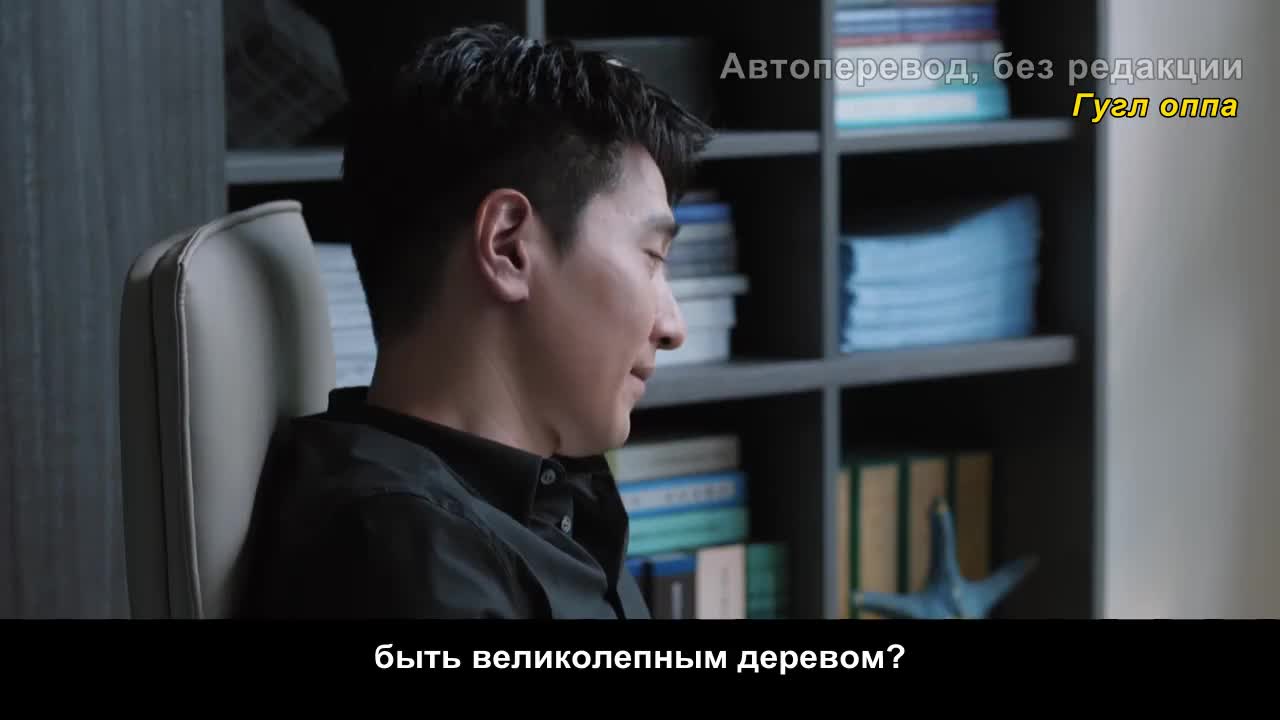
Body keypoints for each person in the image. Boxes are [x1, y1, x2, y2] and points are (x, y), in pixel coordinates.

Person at [238, 23, 715, 619]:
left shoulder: (542, 493)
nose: (673, 327)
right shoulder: (404, 559)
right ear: (509, 247)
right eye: (652, 257)